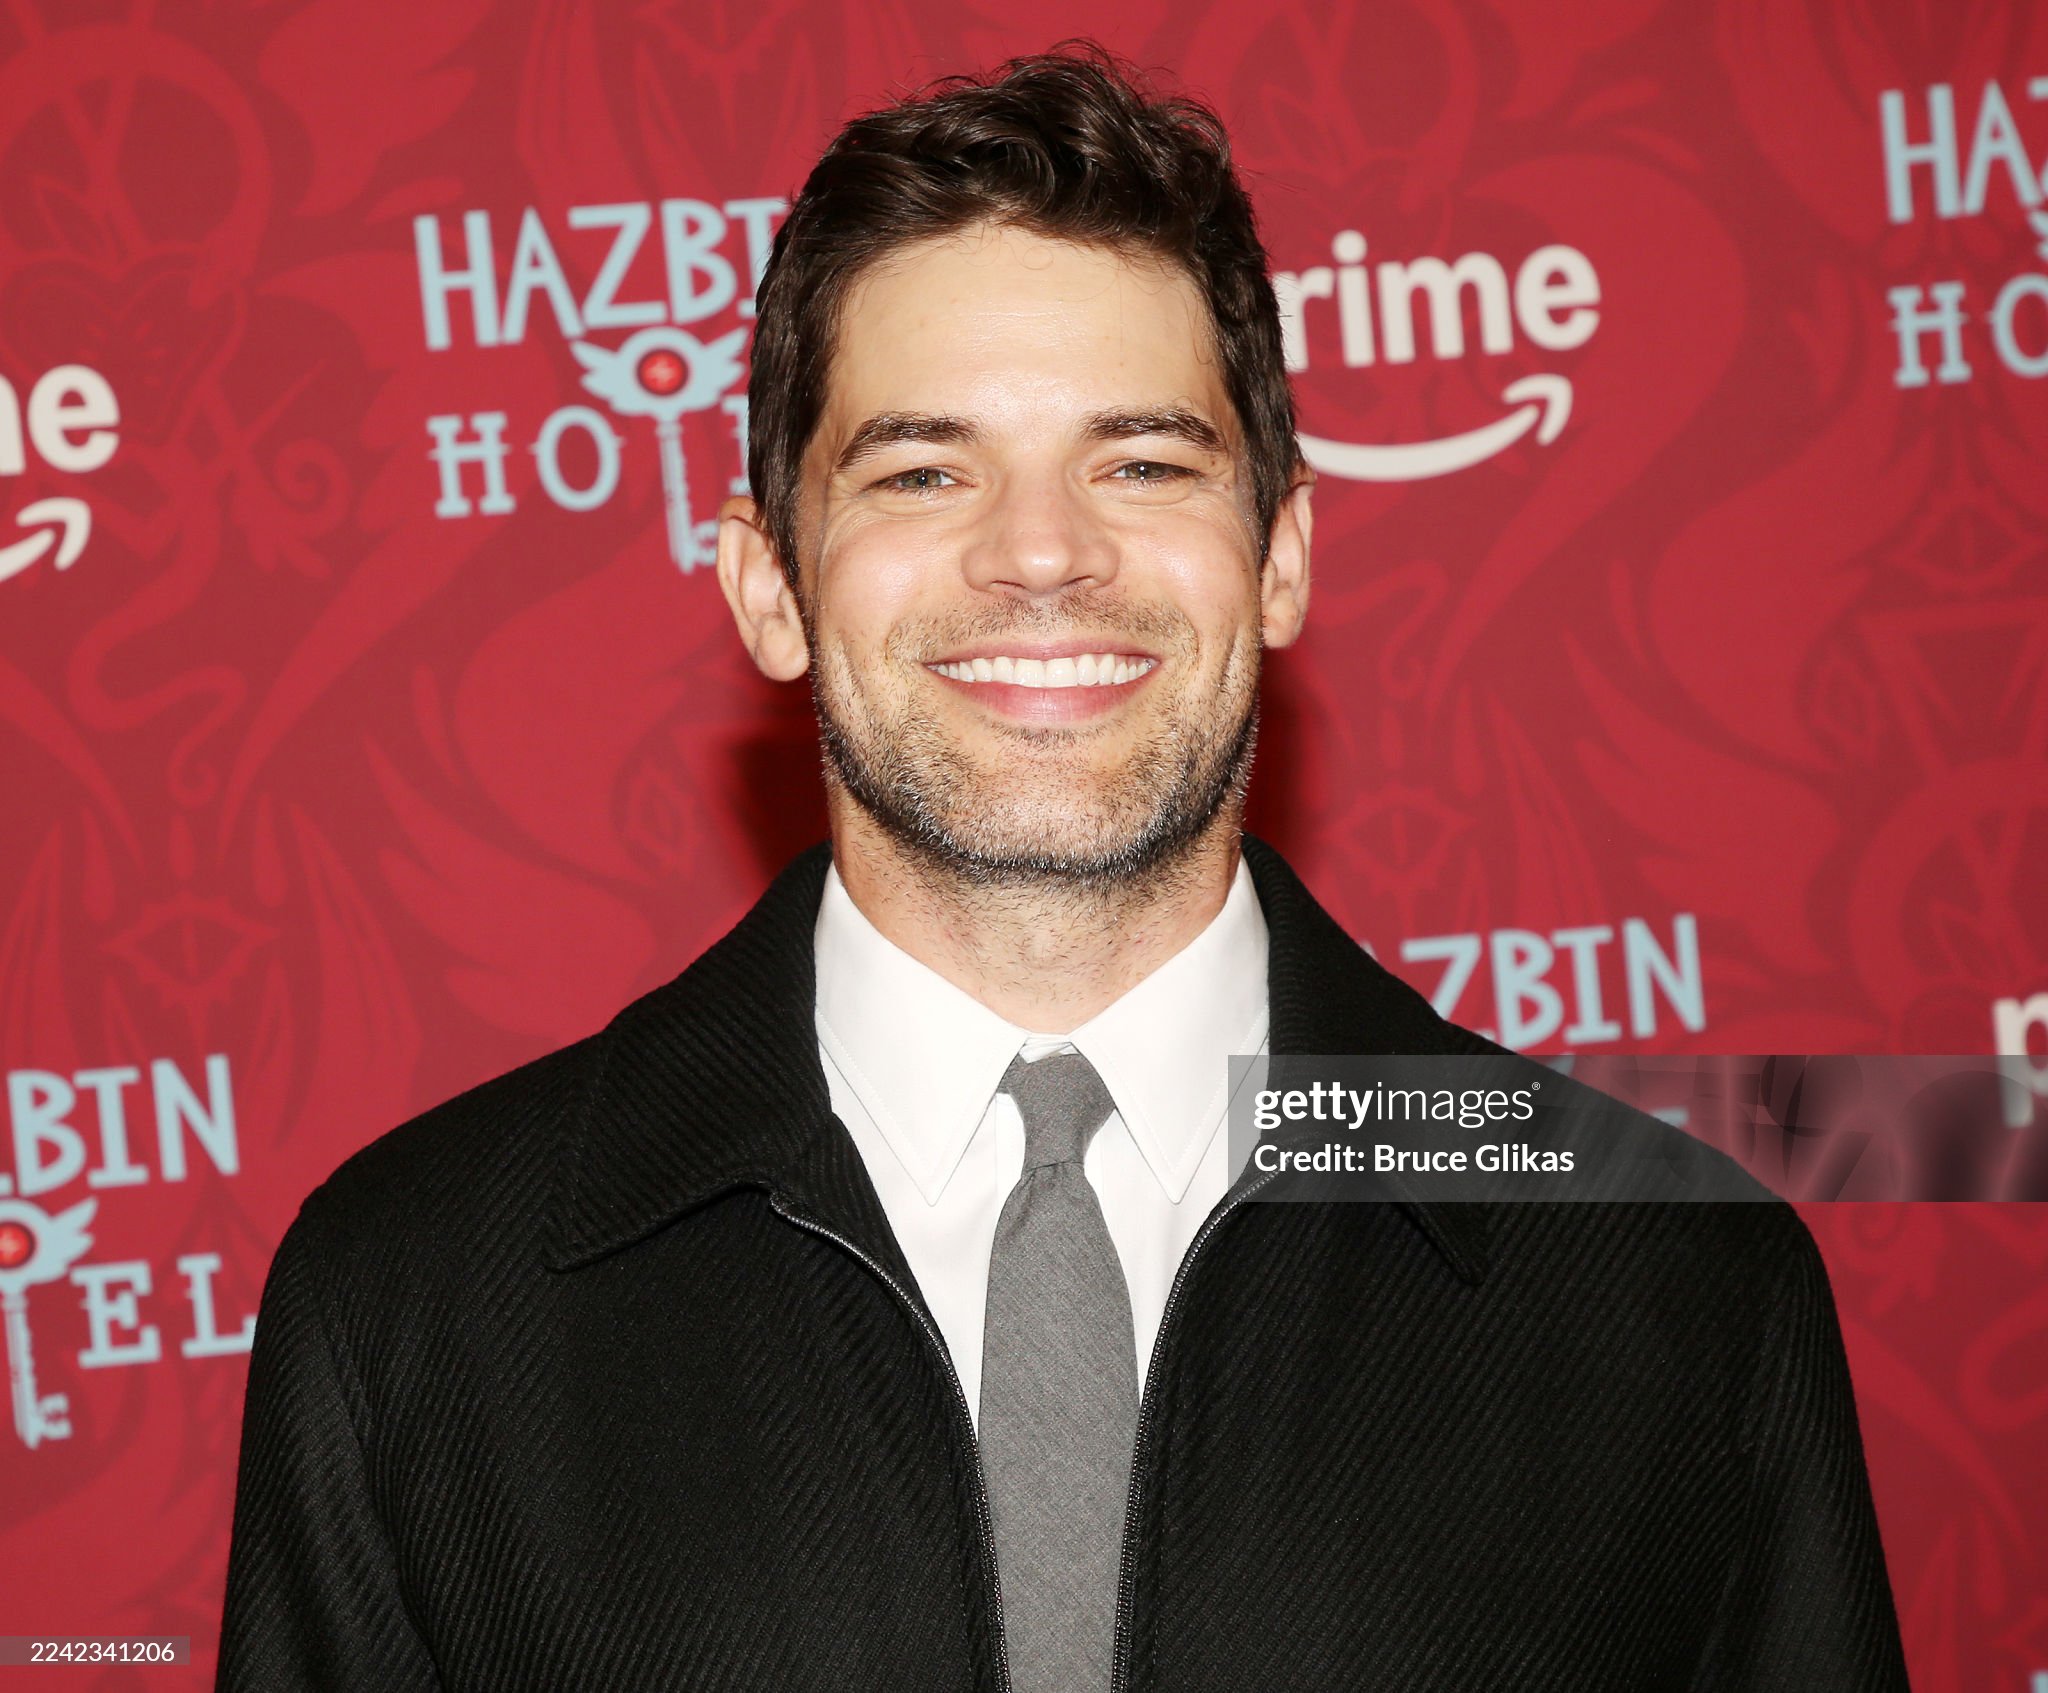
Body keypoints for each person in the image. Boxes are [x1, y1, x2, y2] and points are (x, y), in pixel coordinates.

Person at [216, 44, 1910, 1693]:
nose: (1042, 551)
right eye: (924, 468)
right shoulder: (413, 1305)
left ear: (1283, 558)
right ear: (769, 587)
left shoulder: (1674, 1281)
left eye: (1144, 462)